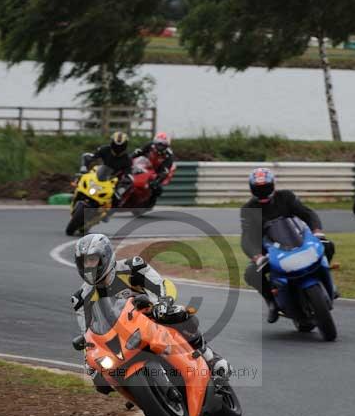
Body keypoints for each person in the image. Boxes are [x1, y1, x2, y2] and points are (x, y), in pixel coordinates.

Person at [71, 233, 231, 395]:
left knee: (179, 316)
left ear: (105, 257)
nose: (88, 267)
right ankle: (140, 394)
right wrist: (90, 367)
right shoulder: (81, 298)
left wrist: (162, 303)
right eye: (83, 262)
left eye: (92, 260)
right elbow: (88, 337)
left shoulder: (132, 266)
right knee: (102, 380)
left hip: (151, 317)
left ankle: (211, 359)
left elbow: (160, 284)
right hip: (119, 339)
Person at [241, 167, 335, 323]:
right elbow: (247, 238)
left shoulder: (286, 197)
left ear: (273, 186)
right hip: (269, 248)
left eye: (265, 188)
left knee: (328, 245)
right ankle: (271, 302)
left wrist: (317, 231)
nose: (263, 192)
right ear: (252, 189)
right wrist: (257, 256)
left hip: (296, 239)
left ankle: (324, 279)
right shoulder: (249, 209)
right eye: (259, 189)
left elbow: (307, 213)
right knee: (251, 272)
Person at [79, 131, 133, 205]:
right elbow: (91, 157)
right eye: (116, 145)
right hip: (100, 174)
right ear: (112, 143)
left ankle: (110, 205)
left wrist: (120, 191)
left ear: (125, 145)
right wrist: (84, 168)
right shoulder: (105, 149)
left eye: (121, 146)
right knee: (81, 177)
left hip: (113, 182)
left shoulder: (127, 159)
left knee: (117, 200)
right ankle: (77, 190)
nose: (118, 148)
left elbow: (128, 174)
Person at [132, 132, 175, 204]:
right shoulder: (150, 145)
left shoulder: (169, 155)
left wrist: (157, 181)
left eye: (162, 144)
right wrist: (130, 158)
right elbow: (139, 151)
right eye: (158, 143)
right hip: (146, 165)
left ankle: (149, 201)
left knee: (157, 188)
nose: (160, 146)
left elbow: (165, 170)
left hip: (158, 170)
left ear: (167, 145)